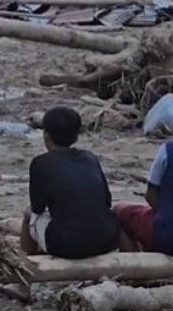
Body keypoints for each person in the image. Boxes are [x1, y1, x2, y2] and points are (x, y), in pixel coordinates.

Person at [21, 106, 118, 259]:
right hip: (106, 240)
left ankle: (25, 264)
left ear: (46, 135)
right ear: (76, 137)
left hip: (66, 245)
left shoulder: (41, 163)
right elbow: (107, 201)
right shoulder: (90, 158)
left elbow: (37, 208)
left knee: (28, 215)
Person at [114, 96, 173, 257]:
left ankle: (136, 270)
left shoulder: (170, 150)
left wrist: (172, 212)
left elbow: (151, 196)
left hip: (171, 236)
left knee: (118, 210)